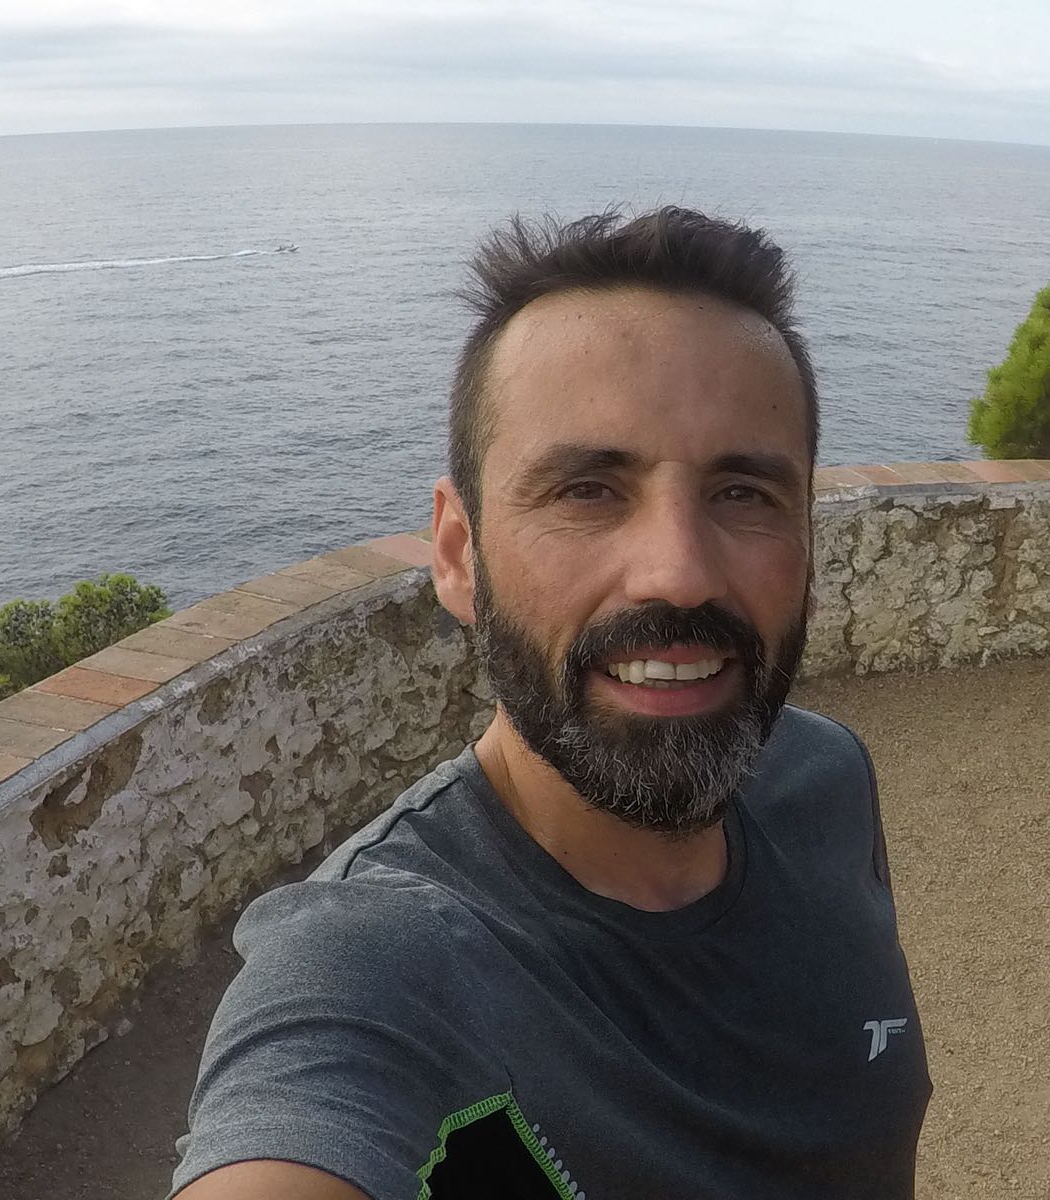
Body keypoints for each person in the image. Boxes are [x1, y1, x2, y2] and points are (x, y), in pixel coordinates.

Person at [169, 207, 931, 1200]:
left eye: (743, 494)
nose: (677, 573)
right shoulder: (381, 965)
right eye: (586, 490)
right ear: (457, 555)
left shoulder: (825, 778)